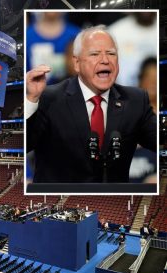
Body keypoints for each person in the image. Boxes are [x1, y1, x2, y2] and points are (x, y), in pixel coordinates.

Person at [26, 25, 156, 183]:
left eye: (111, 53)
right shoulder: (49, 97)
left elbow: (159, 140)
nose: (105, 60)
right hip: (58, 200)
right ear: (77, 63)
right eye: (95, 54)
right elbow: (25, 145)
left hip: (114, 202)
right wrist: (31, 99)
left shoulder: (136, 100)